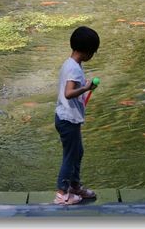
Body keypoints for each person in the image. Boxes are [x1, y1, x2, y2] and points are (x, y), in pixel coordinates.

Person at [53, 26, 100, 205]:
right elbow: (68, 93)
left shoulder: (72, 63)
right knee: (70, 156)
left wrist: (87, 89)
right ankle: (62, 193)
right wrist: (86, 88)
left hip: (69, 117)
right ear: (88, 52)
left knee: (77, 152)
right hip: (67, 119)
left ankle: (74, 186)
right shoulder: (73, 69)